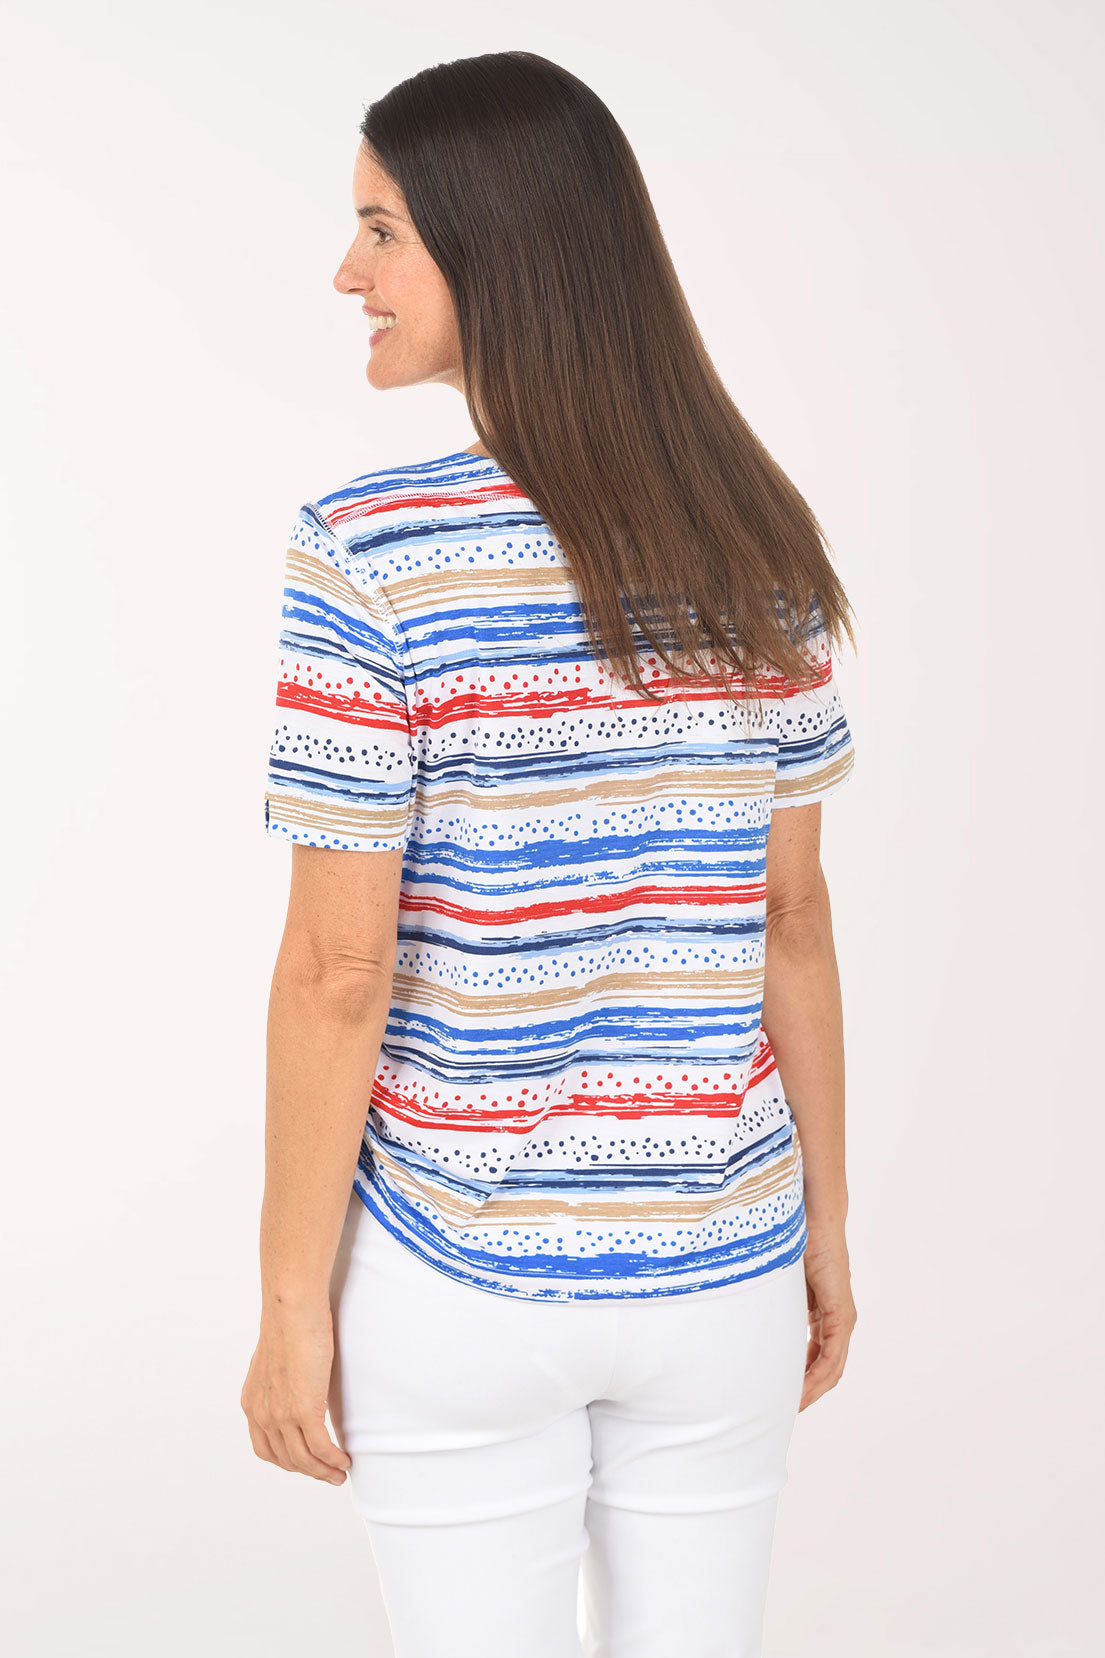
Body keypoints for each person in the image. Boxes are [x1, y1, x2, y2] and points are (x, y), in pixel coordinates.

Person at [241, 50, 859, 1658]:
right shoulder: (757, 543)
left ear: (490, 244)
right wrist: (828, 1225)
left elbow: (335, 970)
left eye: (381, 231)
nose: (346, 273)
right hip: (722, 1261)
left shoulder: (370, 549)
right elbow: (791, 919)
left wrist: (291, 1302)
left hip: (459, 1272)